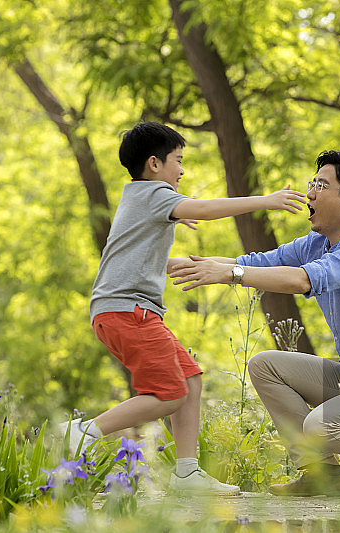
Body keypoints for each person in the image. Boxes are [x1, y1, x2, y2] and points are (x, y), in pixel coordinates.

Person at [170, 150, 340, 496]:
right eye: (312, 183)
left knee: (318, 426)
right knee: (266, 366)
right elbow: (252, 262)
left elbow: (301, 281)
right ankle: (324, 477)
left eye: (321, 185)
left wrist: (231, 274)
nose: (309, 192)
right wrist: (158, 262)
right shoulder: (316, 244)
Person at [61, 121, 307, 494]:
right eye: (178, 160)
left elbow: (129, 255)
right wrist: (266, 200)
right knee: (169, 392)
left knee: (189, 379)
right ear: (155, 164)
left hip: (121, 310)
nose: (182, 169)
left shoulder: (138, 199)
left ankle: (187, 473)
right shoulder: (155, 194)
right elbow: (205, 207)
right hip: (130, 312)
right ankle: (84, 432)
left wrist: (176, 260)